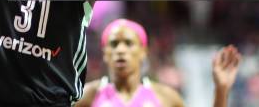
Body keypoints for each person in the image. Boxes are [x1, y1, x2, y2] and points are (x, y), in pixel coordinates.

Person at [76, 18, 241, 107]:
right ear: (105, 53)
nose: (121, 50)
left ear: (144, 52)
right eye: (113, 44)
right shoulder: (87, 97)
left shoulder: (166, 98)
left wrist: (221, 89)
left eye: (128, 43)